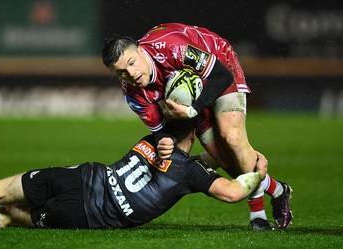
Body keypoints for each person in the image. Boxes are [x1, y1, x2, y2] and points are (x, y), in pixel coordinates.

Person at [102, 22, 292, 230]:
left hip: (218, 64)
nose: (131, 74)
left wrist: (193, 110)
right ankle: (278, 190)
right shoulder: (131, 92)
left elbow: (221, 75)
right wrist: (165, 140)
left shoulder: (171, 47)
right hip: (189, 93)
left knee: (232, 137)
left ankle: (258, 217)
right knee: (221, 157)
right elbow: (159, 131)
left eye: (132, 62)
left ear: (140, 49)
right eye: (121, 72)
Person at [0, 120, 267, 229]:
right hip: (84, 215)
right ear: (194, 135)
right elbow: (231, 192)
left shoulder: (152, 140)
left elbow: (182, 162)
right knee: (9, 217)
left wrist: (218, 161)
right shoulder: (190, 174)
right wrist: (256, 172)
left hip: (80, 178)